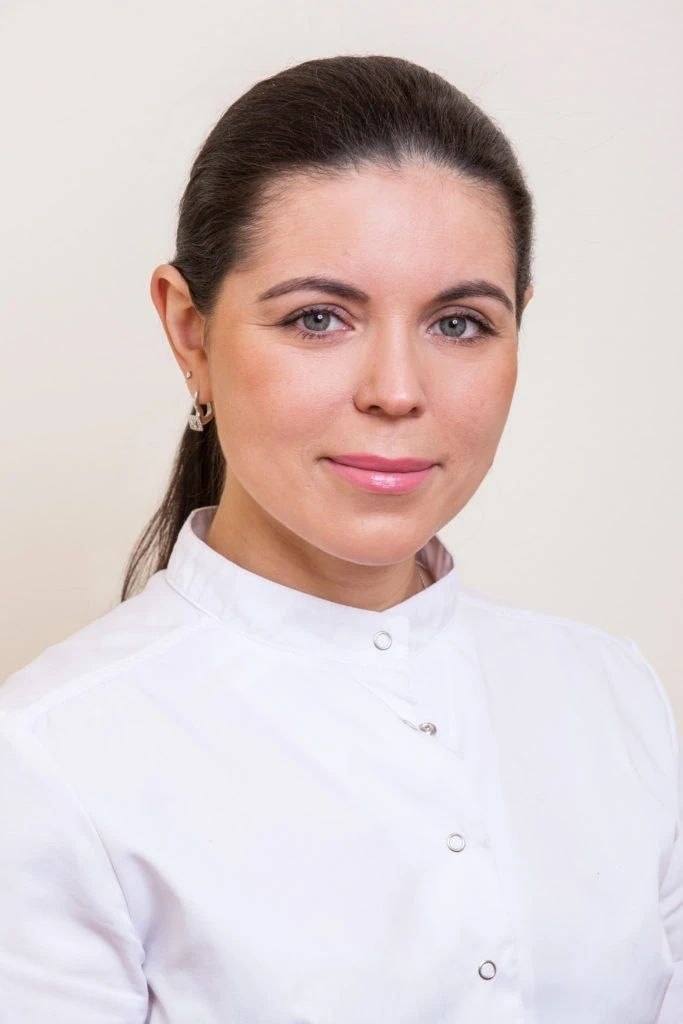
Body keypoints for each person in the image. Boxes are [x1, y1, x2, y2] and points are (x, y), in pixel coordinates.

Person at [0, 53, 680, 1024]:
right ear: (190, 330)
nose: (395, 391)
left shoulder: (612, 695)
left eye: (458, 323)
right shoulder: (49, 760)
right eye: (318, 318)